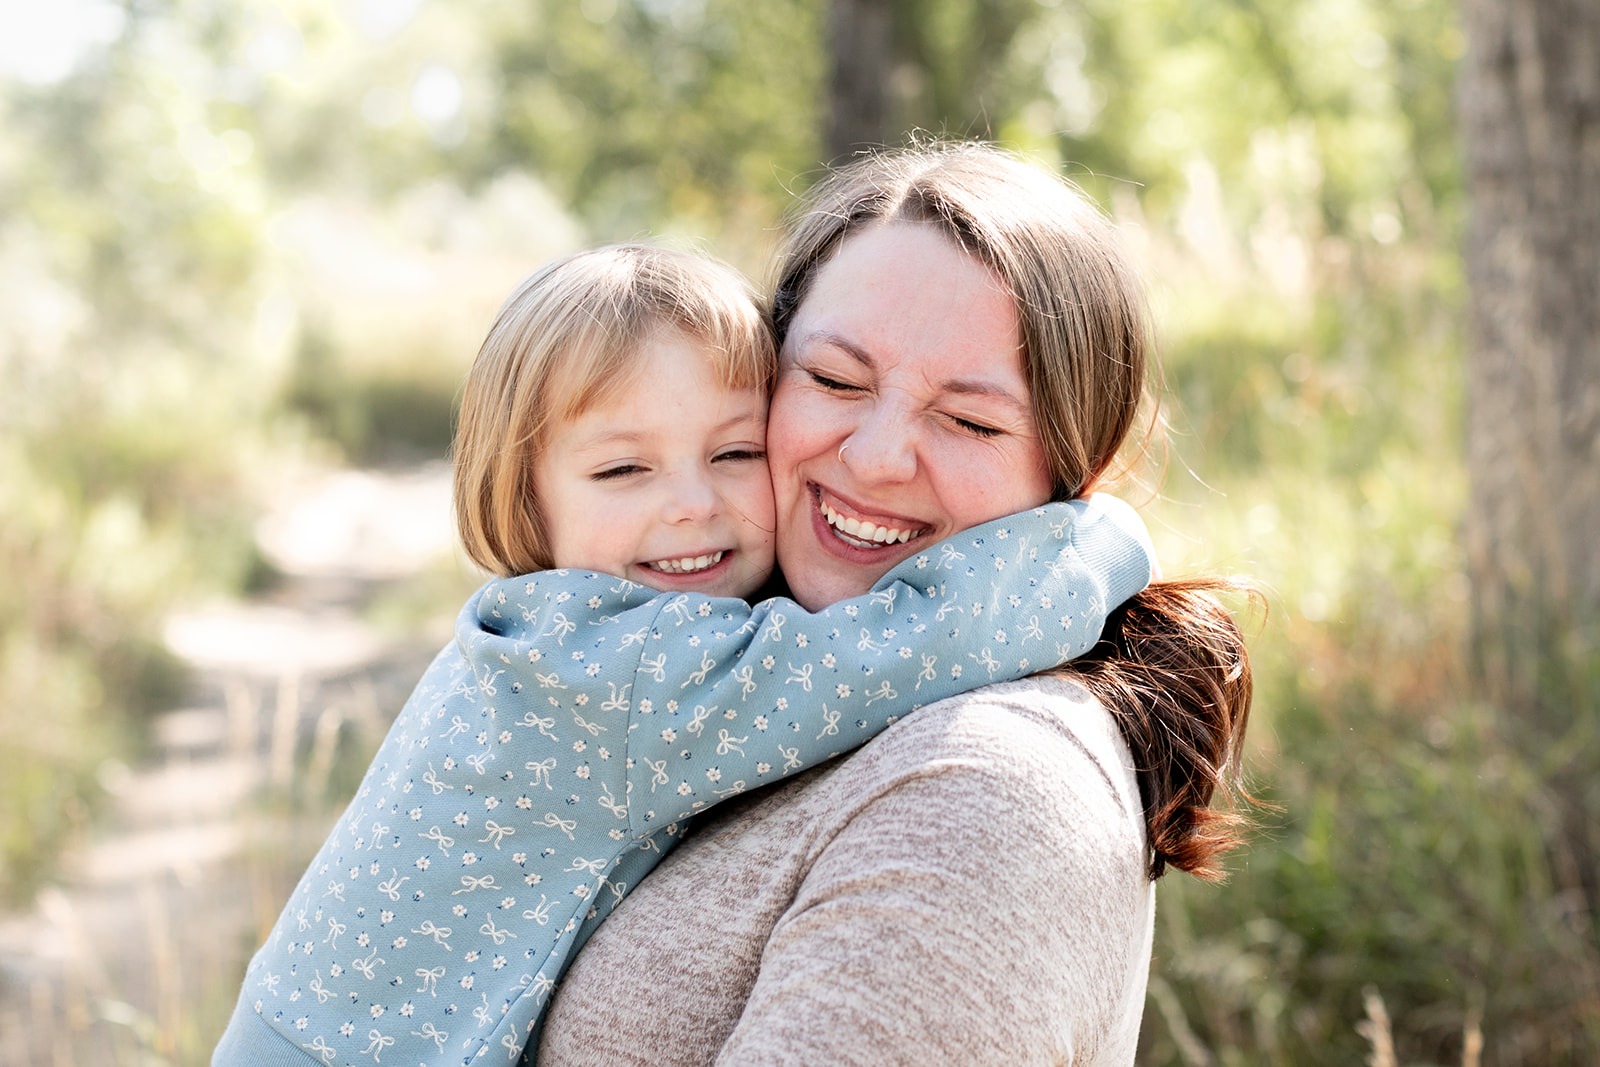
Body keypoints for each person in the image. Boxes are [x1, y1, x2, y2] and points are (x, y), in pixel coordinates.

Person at [212, 242, 1156, 1066]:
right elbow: (884, 654)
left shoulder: (546, 633)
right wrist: (1091, 546)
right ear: (526, 497)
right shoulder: (612, 671)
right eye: (624, 469)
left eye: (735, 453)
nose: (692, 506)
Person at [535, 143, 1257, 1064]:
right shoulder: (724, 678)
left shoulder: (983, 789)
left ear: (1070, 472)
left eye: (969, 420)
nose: (876, 457)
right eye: (835, 380)